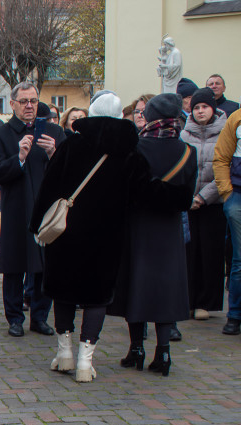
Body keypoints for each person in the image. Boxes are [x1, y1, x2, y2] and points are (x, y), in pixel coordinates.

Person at [31, 91, 194, 382]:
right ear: (120, 115)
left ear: (91, 113)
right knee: (96, 297)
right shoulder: (128, 152)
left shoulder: (71, 145)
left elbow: (48, 189)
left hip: (65, 232)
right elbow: (147, 191)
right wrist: (182, 197)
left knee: (63, 292)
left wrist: (36, 226)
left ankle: (64, 353)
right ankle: (85, 362)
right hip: (106, 235)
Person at [108, 93, 198, 376]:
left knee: (135, 283)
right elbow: (186, 198)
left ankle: (136, 348)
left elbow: (124, 191)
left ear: (151, 117)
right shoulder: (188, 152)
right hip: (169, 228)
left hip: (137, 226)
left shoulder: (135, 148)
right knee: (166, 289)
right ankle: (164, 352)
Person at [0, 81, 65, 338]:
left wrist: (55, 155)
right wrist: (18, 158)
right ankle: (15, 318)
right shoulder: (1, 135)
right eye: (24, 101)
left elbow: (68, 171)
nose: (30, 106)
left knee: (44, 264)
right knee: (14, 265)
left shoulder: (54, 132)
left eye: (33, 100)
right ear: (14, 104)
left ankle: (40, 317)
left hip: (47, 209)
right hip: (16, 208)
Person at [181, 88, 228, 320]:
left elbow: (224, 171)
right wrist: (189, 197)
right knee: (188, 253)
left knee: (210, 253)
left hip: (213, 203)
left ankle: (206, 303)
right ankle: (188, 299)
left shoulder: (225, 133)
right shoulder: (184, 134)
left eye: (205, 107)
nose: (200, 111)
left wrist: (203, 197)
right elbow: (179, 167)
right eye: (197, 107)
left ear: (213, 109)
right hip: (187, 203)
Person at [213, 101, 241, 335]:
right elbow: (221, 157)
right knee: (239, 261)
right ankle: (234, 316)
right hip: (238, 197)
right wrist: (227, 193)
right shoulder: (236, 119)